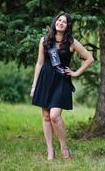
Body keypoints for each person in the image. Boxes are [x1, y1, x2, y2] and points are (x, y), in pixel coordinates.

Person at [30, 12, 94, 161]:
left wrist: (76, 73)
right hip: (45, 80)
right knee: (46, 116)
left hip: (61, 81)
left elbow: (89, 58)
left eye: (64, 22)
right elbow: (40, 63)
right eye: (59, 20)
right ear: (55, 22)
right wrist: (34, 85)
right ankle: (50, 152)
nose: (61, 23)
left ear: (67, 26)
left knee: (54, 116)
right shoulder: (44, 40)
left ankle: (64, 148)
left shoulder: (71, 42)